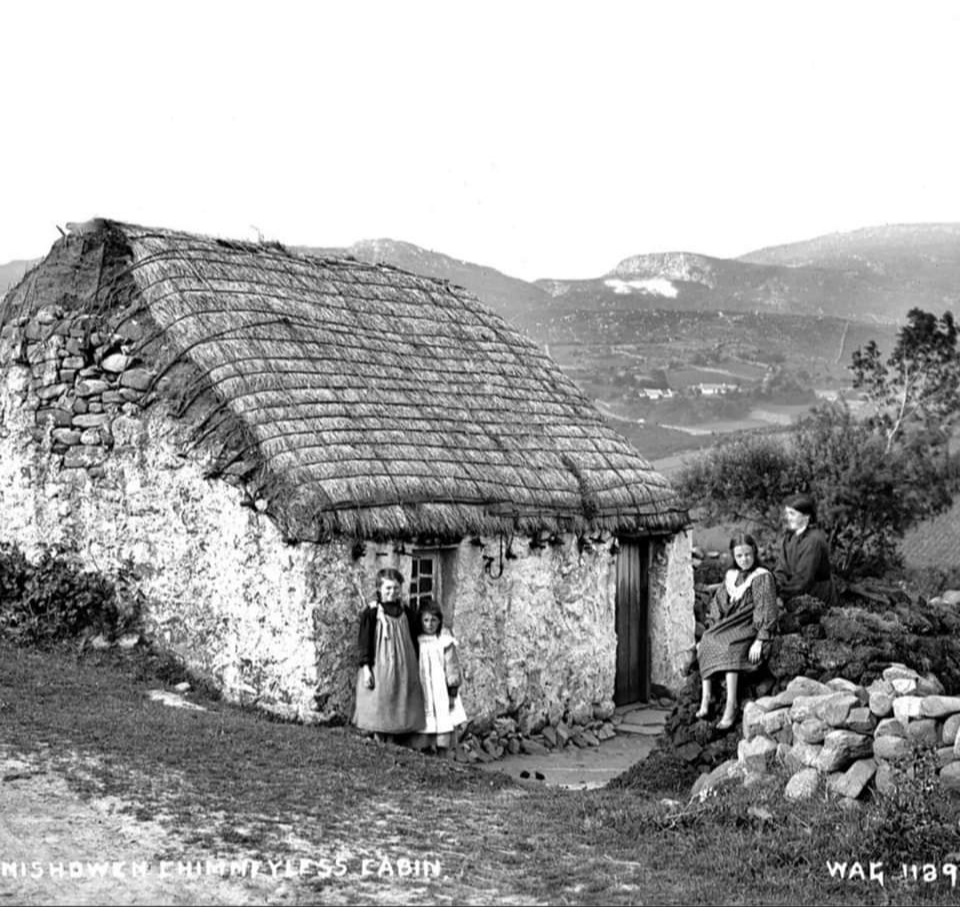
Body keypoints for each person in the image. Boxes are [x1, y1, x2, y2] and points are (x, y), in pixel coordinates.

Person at [696, 533, 778, 730]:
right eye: (739, 556)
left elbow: (765, 608)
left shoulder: (762, 576)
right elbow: (718, 603)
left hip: (749, 625)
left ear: (754, 553)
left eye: (748, 555)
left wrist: (760, 638)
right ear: (734, 556)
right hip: (730, 623)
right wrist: (714, 624)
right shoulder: (731, 576)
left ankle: (731, 705)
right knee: (707, 639)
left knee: (729, 647)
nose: (744, 560)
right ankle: (706, 696)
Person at [353, 568, 425, 742]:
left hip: (404, 663)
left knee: (401, 696)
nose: (392, 592)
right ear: (379, 589)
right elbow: (364, 642)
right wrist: (366, 668)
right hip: (381, 663)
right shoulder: (371, 612)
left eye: (396, 588)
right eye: (388, 588)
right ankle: (379, 735)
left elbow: (415, 637)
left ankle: (397, 735)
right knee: (381, 696)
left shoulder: (406, 611)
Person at [410, 601, 468, 756]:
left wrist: (452, 693)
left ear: (439, 621)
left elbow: (452, 669)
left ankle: (443, 753)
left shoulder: (444, 641)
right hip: (424, 689)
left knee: (443, 719)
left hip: (440, 690)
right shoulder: (417, 642)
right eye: (426, 620)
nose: (429, 625)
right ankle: (425, 750)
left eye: (433, 620)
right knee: (425, 719)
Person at [773, 493, 838, 607]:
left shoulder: (814, 541)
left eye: (792, 514)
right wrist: (775, 587)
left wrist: (781, 596)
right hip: (793, 590)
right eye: (787, 513)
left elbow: (803, 580)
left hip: (815, 596)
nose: (787, 517)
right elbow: (781, 568)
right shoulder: (789, 536)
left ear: (806, 517)